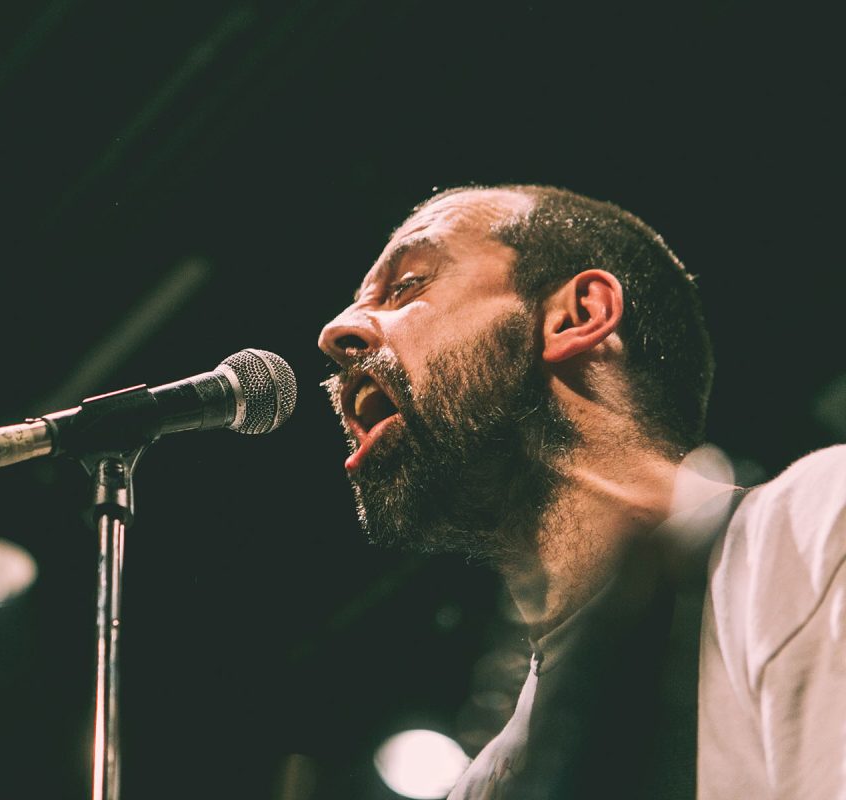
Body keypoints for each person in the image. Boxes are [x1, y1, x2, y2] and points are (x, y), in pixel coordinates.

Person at [317, 185, 845, 799]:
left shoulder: (815, 530)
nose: (336, 332)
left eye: (407, 284)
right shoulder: (482, 786)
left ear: (578, 316)